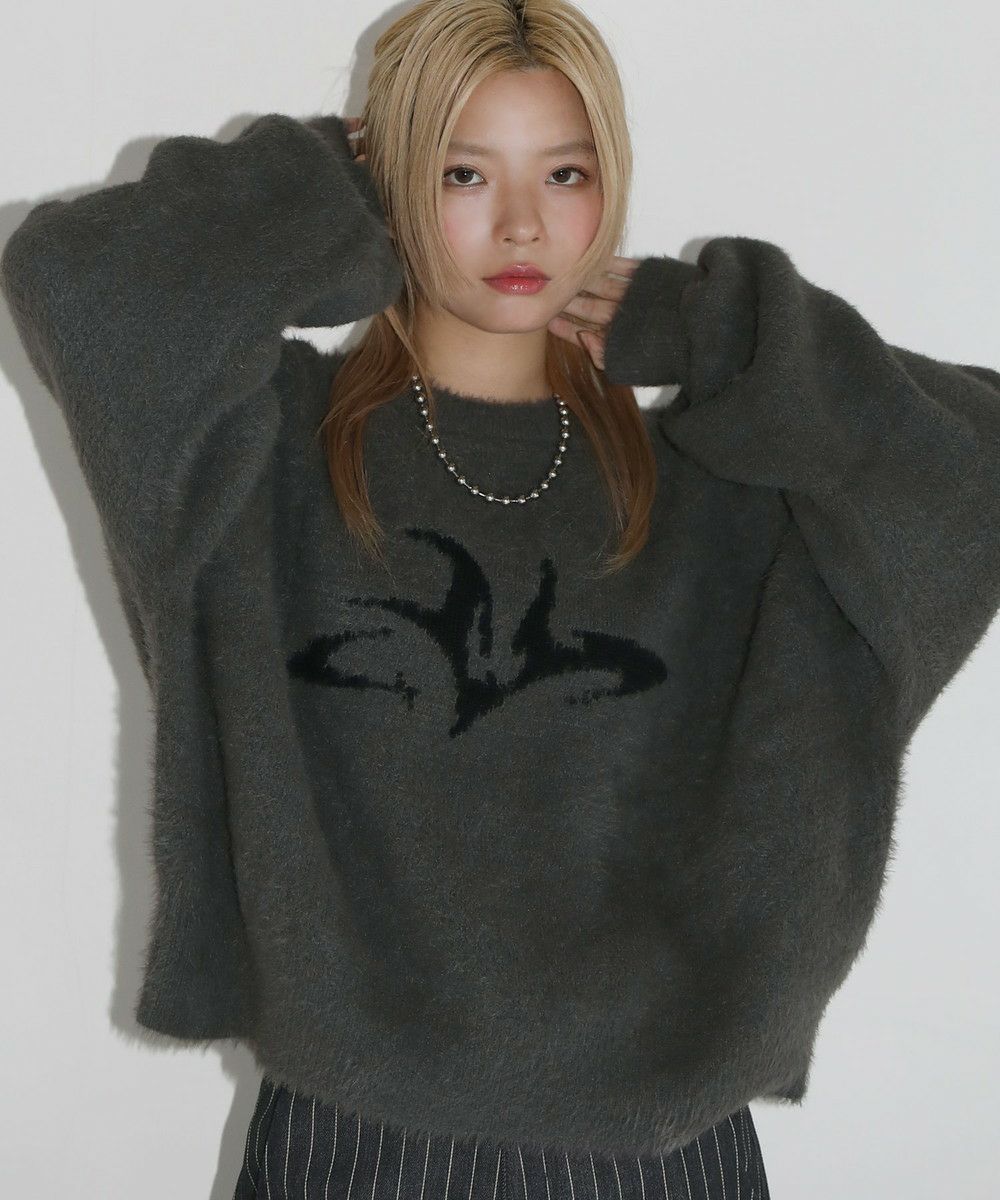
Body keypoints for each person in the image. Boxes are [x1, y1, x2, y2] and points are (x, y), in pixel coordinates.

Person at [2, 1, 998, 1196]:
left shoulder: (727, 484)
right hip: (353, 1145)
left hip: (655, 1152)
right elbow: (77, 280)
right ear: (393, 183)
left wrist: (728, 335)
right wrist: (320, 180)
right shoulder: (255, 452)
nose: (522, 222)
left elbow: (971, 477)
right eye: (461, 172)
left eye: (564, 173)